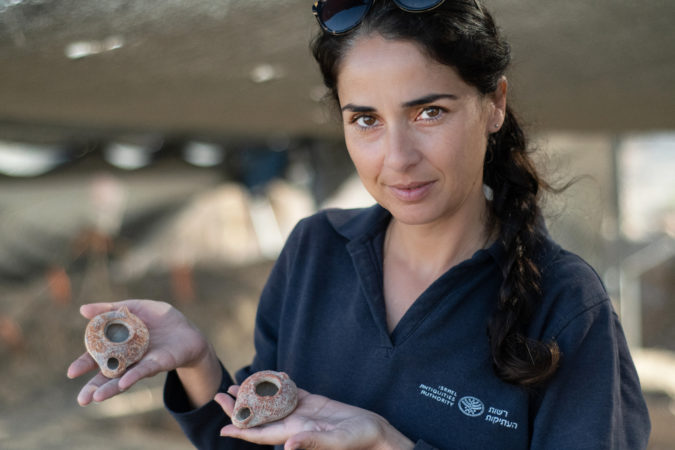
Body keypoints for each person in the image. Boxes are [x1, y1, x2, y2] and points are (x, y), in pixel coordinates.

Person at [67, 1, 651, 448]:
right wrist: (197, 362)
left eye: (429, 112)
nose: (397, 157)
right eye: (366, 119)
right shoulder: (315, 251)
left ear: (494, 104)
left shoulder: (567, 305)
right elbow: (260, 436)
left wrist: (387, 443)